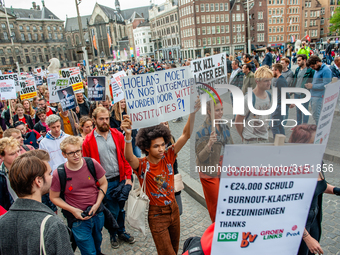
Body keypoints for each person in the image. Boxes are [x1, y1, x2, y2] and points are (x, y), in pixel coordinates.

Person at [122, 97, 200, 255]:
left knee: (175, 249)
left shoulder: (169, 156)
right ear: (147, 148)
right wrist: (128, 136)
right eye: (156, 146)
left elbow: (185, 134)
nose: (161, 149)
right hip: (157, 215)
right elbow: (129, 157)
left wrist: (193, 112)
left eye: (163, 144)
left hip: (174, 210)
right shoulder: (142, 165)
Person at [0, 150, 74, 255]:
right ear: (38, 181)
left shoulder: (2, 221)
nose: (52, 176)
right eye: (49, 173)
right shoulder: (52, 225)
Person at [82, 107, 134, 249]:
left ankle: (121, 231)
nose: (105, 121)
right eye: (101, 119)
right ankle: (113, 233)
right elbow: (87, 166)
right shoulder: (88, 141)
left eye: (106, 118)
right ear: (94, 120)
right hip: (106, 182)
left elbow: (126, 157)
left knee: (121, 208)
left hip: (121, 178)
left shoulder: (117, 135)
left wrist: (128, 177)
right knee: (113, 210)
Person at [50, 136, 108, 255]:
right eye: (71, 153)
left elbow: (103, 183)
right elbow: (53, 197)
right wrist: (73, 210)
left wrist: (97, 204)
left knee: (97, 243)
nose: (76, 155)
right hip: (78, 220)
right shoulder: (59, 173)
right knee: (88, 251)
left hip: (97, 215)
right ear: (64, 154)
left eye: (78, 151)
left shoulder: (91, 163)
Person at [289, 124, 340, 255]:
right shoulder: (292, 171)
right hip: (297, 231)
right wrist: (307, 238)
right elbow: (289, 212)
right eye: (315, 143)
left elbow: (319, 186)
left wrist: (336, 190)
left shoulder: (316, 161)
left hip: (314, 222)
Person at [195, 99, 232, 222]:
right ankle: (216, 229)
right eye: (217, 110)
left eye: (221, 109)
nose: (221, 112)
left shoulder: (224, 125)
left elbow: (231, 145)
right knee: (216, 204)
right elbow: (200, 157)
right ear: (209, 111)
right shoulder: (202, 131)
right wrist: (209, 144)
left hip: (223, 165)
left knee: (226, 200)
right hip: (209, 170)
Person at [235, 66, 273, 143]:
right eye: (266, 81)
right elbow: (238, 121)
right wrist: (244, 137)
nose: (269, 83)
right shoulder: (248, 98)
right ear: (257, 81)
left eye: (270, 80)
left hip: (264, 138)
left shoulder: (269, 96)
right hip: (251, 140)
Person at [160, 121, 183, 215]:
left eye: (166, 123)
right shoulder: (153, 143)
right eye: (161, 124)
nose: (164, 126)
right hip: (162, 182)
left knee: (179, 211)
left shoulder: (171, 139)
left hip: (173, 178)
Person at [305, 55, 332, 125]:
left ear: (317, 62)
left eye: (313, 66)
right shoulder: (318, 69)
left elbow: (327, 85)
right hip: (314, 95)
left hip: (319, 96)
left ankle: (320, 131)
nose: (313, 68)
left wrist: (313, 86)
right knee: (315, 115)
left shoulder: (326, 70)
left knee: (317, 115)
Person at [292, 54, 315, 125]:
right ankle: (298, 126)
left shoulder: (310, 70)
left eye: (299, 60)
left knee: (304, 110)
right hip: (296, 93)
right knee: (298, 110)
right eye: (297, 60)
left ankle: (304, 126)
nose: (297, 62)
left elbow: (313, 81)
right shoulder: (297, 69)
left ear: (304, 60)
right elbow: (295, 80)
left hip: (305, 93)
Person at [0, 137, 20, 211]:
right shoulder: (1, 176)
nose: (18, 155)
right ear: (2, 157)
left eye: (18, 151)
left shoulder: (27, 168)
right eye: (12, 154)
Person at [271, 63, 289, 139]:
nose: (272, 72)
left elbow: (285, 92)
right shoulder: (280, 79)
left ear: (277, 70)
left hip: (280, 105)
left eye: (273, 70)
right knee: (279, 125)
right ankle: (282, 142)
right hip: (280, 105)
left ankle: (278, 142)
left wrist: (289, 103)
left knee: (274, 125)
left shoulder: (280, 80)